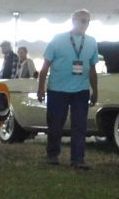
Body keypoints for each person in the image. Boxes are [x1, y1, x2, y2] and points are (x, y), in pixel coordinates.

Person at [37, 10, 99, 169]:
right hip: (57, 89)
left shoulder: (92, 42)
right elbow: (44, 68)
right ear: (73, 21)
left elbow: (92, 69)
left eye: (87, 21)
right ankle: (52, 154)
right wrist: (41, 88)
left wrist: (95, 90)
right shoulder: (58, 39)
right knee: (56, 124)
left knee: (80, 125)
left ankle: (78, 159)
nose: (84, 24)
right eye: (81, 21)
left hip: (81, 90)